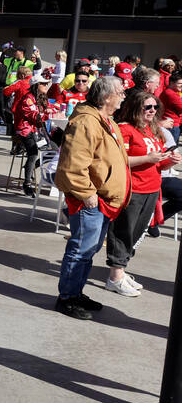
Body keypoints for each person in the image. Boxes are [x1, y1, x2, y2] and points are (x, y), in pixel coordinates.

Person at [54, 76, 129, 320]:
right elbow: (73, 164)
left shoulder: (106, 120)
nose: (124, 96)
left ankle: (75, 292)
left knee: (88, 250)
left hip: (103, 200)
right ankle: (66, 298)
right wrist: (87, 194)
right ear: (107, 97)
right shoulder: (87, 121)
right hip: (91, 200)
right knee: (80, 250)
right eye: (120, 92)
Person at [104, 88, 181, 296]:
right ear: (137, 107)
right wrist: (149, 159)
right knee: (123, 231)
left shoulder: (152, 130)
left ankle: (121, 270)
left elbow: (159, 165)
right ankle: (115, 275)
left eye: (156, 107)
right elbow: (119, 160)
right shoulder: (125, 129)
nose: (153, 111)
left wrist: (168, 162)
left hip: (152, 188)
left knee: (136, 233)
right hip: (132, 188)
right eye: (148, 107)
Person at [13, 75, 51, 196]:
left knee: (55, 148)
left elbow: (48, 109)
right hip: (23, 131)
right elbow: (35, 117)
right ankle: (27, 183)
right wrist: (48, 115)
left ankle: (30, 166)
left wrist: (53, 110)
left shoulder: (40, 97)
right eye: (43, 84)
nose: (46, 86)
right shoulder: (28, 99)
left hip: (35, 131)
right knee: (34, 153)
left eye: (46, 84)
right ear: (36, 85)